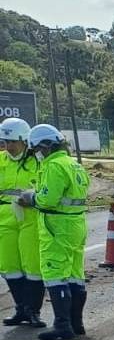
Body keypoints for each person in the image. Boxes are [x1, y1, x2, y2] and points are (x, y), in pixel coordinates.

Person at [18, 124, 89, 340]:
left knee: (55, 274)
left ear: (45, 146)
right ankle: (77, 323)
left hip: (56, 226)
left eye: (36, 149)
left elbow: (48, 199)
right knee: (76, 275)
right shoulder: (73, 163)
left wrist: (31, 198)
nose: (36, 154)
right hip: (76, 223)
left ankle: (62, 325)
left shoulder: (53, 166)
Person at [0, 118, 44, 328]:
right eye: (5, 142)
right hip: (5, 220)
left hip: (30, 218)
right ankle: (21, 309)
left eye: (12, 142)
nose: (8, 147)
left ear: (25, 141)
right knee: (10, 266)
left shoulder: (38, 161)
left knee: (33, 267)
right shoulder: (2, 161)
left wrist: (32, 199)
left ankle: (33, 311)